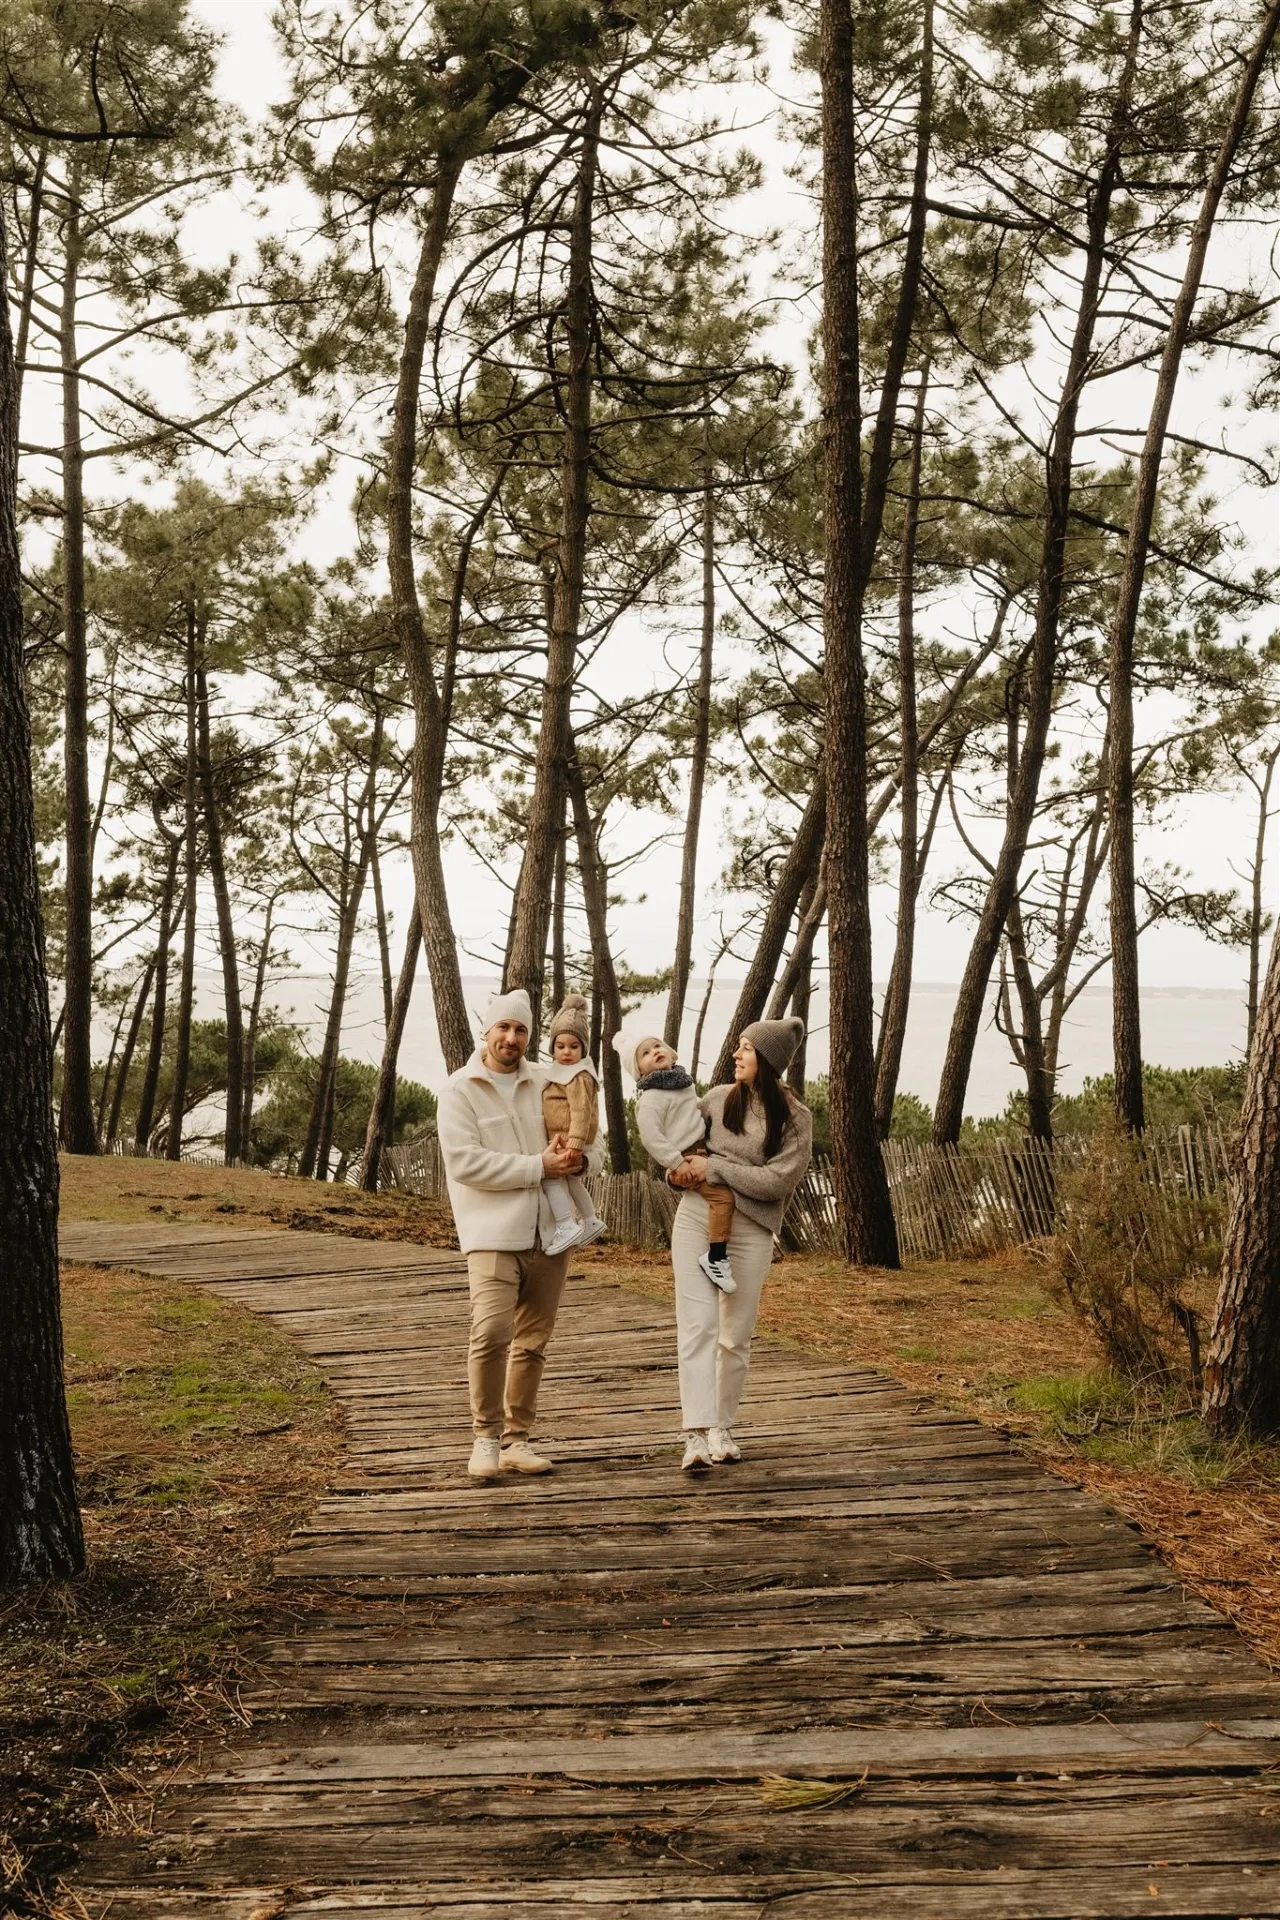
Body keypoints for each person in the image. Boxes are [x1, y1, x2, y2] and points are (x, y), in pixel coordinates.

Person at [436, 988, 604, 1482]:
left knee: (533, 1341)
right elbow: (465, 1163)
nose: (512, 1038)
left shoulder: (549, 1079)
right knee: (490, 1333)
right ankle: (485, 1438)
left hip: (552, 1232)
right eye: (503, 1028)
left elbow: (593, 1138)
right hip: (491, 1233)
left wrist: (582, 1159)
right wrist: (538, 1165)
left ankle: (517, 1440)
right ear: (486, 1032)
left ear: (531, 1037)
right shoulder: (458, 1090)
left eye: (521, 1030)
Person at [668, 1017, 813, 1472]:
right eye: (739, 1046)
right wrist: (680, 1172)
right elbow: (678, 1155)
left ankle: (721, 1427)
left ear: (767, 1060)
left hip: (752, 1230)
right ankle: (694, 1432)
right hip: (696, 1218)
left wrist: (717, 1168)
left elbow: (777, 1181)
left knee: (735, 1334)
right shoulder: (716, 1100)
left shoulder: (795, 1118)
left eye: (746, 1048)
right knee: (698, 1325)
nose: (736, 1054)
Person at [625, 1033, 737, 1293]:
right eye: (644, 1054)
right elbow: (652, 1138)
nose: (654, 1051)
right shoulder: (651, 1098)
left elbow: (692, 1107)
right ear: (639, 1071)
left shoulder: (680, 1084)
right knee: (722, 1198)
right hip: (686, 1155)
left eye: (656, 1046)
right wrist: (676, 1163)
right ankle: (715, 1256)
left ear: (670, 1051)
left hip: (704, 1148)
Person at [540, 992, 608, 1255]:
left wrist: (576, 1144)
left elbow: (581, 1111)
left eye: (573, 1046)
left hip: (568, 1138)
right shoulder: (564, 1072)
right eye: (560, 1046)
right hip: (566, 1137)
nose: (566, 1052)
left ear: (583, 1049)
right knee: (572, 1182)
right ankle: (590, 1220)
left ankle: (566, 1224)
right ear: (553, 1048)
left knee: (551, 1180)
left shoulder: (578, 1076)